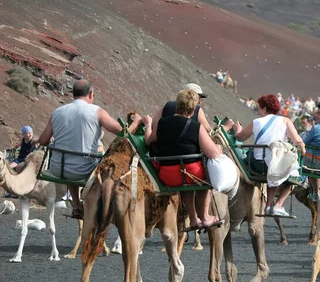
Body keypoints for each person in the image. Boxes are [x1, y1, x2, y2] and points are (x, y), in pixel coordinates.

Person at [38, 80, 142, 219]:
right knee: (106, 163)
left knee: (70, 161)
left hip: (59, 168)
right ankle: (104, 205)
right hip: (84, 169)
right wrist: (135, 121)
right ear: (91, 94)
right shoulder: (96, 111)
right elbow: (124, 133)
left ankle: (76, 206)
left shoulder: (57, 112)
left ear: (73, 94)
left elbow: (43, 141)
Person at [144, 89, 222, 230]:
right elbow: (213, 154)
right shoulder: (196, 127)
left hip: (167, 176)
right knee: (207, 173)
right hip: (192, 174)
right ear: (193, 111)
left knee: (184, 178)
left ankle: (193, 218)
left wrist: (148, 125)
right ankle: (205, 216)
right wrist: (218, 147)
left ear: (177, 105)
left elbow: (149, 140)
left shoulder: (161, 123)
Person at [229, 94, 305, 216]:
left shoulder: (256, 122)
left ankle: (269, 205)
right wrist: (302, 147)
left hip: (258, 165)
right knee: (295, 173)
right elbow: (297, 140)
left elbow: (240, 137)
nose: (258, 111)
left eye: (259, 108)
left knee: (273, 166)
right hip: (275, 164)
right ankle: (278, 205)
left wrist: (238, 129)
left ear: (264, 109)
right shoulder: (285, 121)